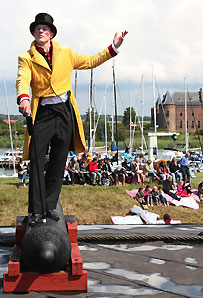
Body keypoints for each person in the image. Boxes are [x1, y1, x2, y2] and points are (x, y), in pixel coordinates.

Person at [17, 13, 127, 226]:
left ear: (51, 34)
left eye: (45, 28)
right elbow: (22, 79)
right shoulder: (26, 57)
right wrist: (23, 98)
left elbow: (90, 61)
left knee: (59, 162)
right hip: (42, 113)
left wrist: (113, 47)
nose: (41, 31)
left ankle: (50, 205)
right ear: (33, 33)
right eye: (37, 28)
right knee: (37, 161)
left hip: (64, 112)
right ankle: (36, 211)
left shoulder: (65, 53)